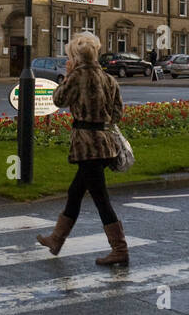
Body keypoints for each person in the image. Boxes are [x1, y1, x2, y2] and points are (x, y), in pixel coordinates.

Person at [37, 32, 129, 266]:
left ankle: (120, 249)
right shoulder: (108, 79)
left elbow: (58, 100)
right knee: (75, 192)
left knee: (100, 197)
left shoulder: (77, 76)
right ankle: (56, 240)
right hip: (104, 142)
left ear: (75, 56)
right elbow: (118, 113)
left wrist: (67, 75)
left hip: (87, 146)